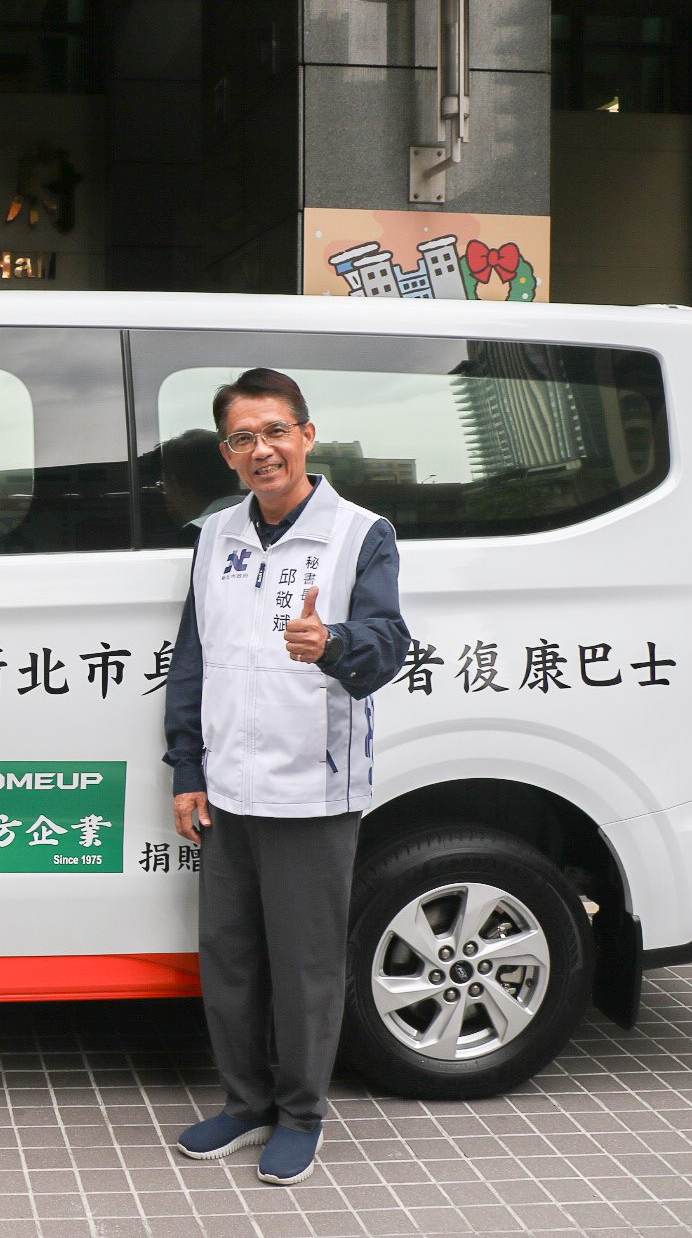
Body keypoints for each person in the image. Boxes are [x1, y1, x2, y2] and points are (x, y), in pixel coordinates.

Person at [163, 368, 409, 1186]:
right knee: (229, 957)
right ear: (227, 454)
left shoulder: (360, 533)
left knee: (304, 966)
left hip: (313, 786)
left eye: (275, 431)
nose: (261, 450)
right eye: (242, 438)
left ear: (306, 435)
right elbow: (193, 659)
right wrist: (188, 768)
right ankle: (245, 1103)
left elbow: (388, 644)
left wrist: (332, 643)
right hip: (227, 787)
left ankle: (301, 1114)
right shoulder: (216, 536)